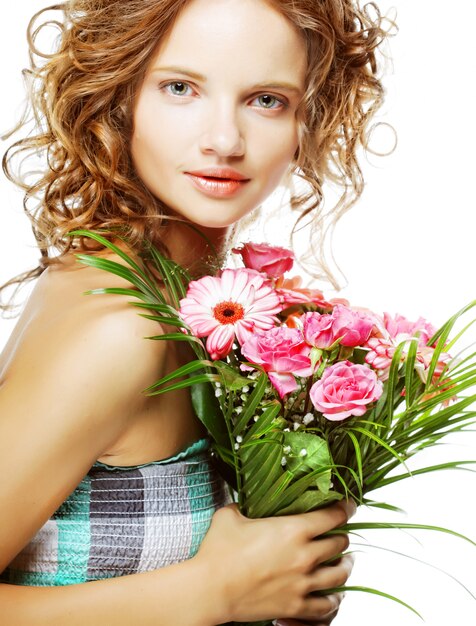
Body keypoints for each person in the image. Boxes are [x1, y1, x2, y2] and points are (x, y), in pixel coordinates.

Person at [0, 0, 389, 624]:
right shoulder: (120, 330)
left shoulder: (173, 294)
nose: (225, 141)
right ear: (118, 95)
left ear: (305, 122)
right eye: (180, 88)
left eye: (266, 99)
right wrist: (210, 593)